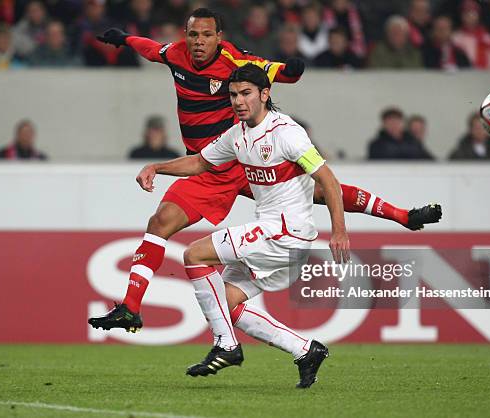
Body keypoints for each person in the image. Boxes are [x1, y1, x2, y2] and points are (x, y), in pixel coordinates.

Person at [88, 8, 441, 335]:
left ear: (218, 37)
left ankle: (402, 215)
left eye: (206, 35)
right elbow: (151, 49)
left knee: (320, 190)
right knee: (160, 222)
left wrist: (293, 69)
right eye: (193, 35)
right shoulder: (176, 53)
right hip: (206, 165)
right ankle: (131, 308)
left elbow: (274, 72)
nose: (198, 42)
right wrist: (123, 39)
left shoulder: (233, 59)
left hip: (244, 160)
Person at [138, 64, 345, 388]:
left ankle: (226, 345)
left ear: (265, 94)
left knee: (194, 255)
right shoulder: (237, 136)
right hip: (277, 239)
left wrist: (339, 231)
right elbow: (199, 162)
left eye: (246, 93)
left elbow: (328, 180)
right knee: (227, 302)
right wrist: (157, 166)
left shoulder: (286, 134)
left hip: (286, 233)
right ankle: (305, 350)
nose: (238, 100)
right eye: (233, 94)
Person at [368, 107, 433, 160]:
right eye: (390, 122)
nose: (394, 125)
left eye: (396, 121)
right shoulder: (376, 145)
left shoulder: (413, 142)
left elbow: (427, 159)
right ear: (384, 124)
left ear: (402, 123)